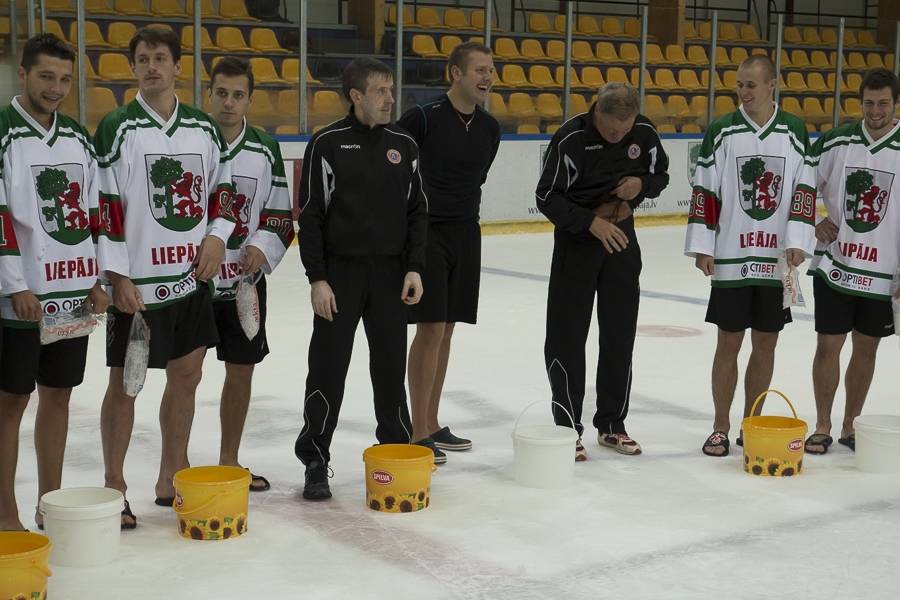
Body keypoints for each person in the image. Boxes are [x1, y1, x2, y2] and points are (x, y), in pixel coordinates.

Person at [94, 26, 235, 528]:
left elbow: (223, 190)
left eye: (160, 58)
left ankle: (171, 474)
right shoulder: (117, 127)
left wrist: (217, 236)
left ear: (178, 66)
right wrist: (116, 276)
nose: (151, 66)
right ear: (133, 67)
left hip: (189, 282)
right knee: (126, 385)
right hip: (137, 290)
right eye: (142, 59)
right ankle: (114, 486)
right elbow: (105, 207)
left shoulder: (203, 127)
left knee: (187, 377)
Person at [295, 57, 427, 500]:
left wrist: (414, 266)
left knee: (390, 368)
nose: (390, 98)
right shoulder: (327, 143)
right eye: (380, 91)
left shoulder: (404, 144)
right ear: (356, 96)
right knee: (327, 368)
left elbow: (417, 212)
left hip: (391, 275)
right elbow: (310, 215)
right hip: (340, 276)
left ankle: (395, 450)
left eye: (391, 89)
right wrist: (318, 278)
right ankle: (315, 458)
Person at [0, 33, 109, 531]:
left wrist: (97, 278)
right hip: (21, 297)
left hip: (72, 294)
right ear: (23, 74)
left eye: (65, 79)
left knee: (59, 394)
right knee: (11, 401)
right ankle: (5, 512)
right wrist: (14, 285)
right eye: (46, 76)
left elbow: (92, 213)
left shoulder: (78, 138)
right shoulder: (4, 133)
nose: (56, 88)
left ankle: (50, 502)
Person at [684, 55, 816, 457]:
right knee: (728, 341)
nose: (743, 92)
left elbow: (804, 187)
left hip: (775, 260)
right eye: (740, 84)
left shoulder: (794, 130)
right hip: (731, 255)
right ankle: (720, 426)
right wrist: (703, 245)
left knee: (766, 342)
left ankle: (751, 423)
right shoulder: (723, 129)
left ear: (772, 85)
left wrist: (799, 238)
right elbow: (705, 188)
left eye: (751, 85)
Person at [536, 82, 669, 461]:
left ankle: (612, 423)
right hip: (577, 245)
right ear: (598, 112)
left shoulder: (644, 132)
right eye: (612, 130)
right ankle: (567, 427)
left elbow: (660, 176)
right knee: (566, 337)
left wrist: (641, 185)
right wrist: (589, 223)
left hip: (622, 241)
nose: (618, 136)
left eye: (625, 130)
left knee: (619, 335)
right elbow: (546, 196)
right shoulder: (571, 138)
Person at [398, 42, 500, 464]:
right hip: (427, 232)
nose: (487, 77)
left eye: (491, 70)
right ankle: (416, 429)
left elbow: (478, 178)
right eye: (479, 70)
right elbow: (396, 170)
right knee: (431, 327)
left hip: (466, 231)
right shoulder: (422, 119)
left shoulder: (490, 127)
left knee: (448, 329)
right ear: (455, 73)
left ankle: (432, 421)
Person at [207, 57, 294, 487]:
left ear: (250, 99)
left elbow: (279, 212)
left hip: (245, 283)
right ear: (209, 94)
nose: (229, 102)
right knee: (184, 373)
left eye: (238, 95)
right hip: (194, 283)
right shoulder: (193, 139)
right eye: (222, 93)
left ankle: (228, 460)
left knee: (241, 369)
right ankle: (175, 467)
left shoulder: (264, 147)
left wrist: (260, 246)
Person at [804, 68, 900, 455]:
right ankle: (823, 425)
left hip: (883, 274)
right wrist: (814, 220)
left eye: (883, 103)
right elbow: (801, 183)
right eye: (869, 103)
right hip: (837, 266)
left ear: (895, 103)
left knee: (866, 349)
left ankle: (850, 424)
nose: (875, 111)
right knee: (828, 345)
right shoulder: (837, 141)